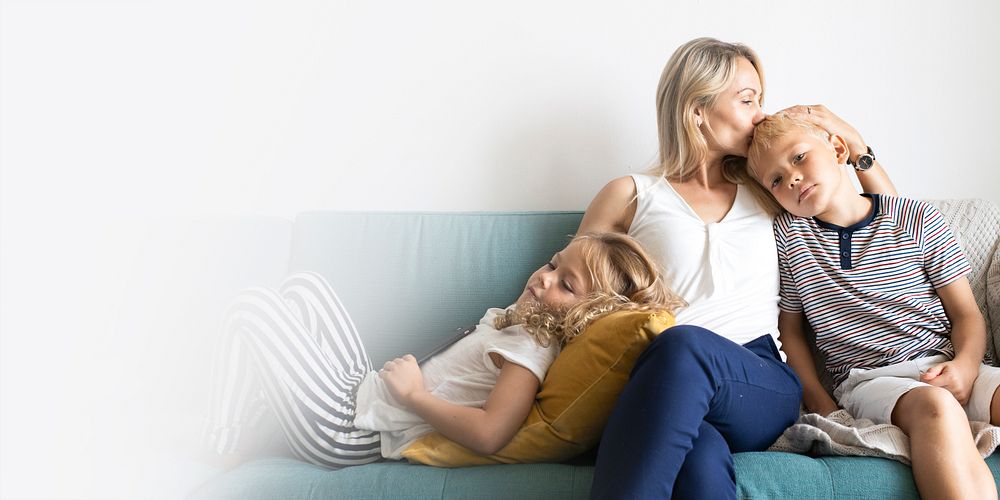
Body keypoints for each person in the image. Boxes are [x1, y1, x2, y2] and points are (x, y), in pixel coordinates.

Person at [581, 37, 898, 499]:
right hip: (666, 379)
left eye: (760, 101)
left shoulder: (769, 187)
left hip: (759, 379)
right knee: (699, 463)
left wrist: (854, 140)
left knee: (684, 345)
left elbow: (886, 223)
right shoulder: (631, 195)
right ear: (697, 110)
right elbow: (567, 291)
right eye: (748, 100)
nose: (761, 115)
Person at [204, 232, 685, 469]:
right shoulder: (515, 323)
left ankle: (220, 446)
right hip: (361, 391)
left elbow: (491, 433)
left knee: (250, 308)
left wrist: (415, 397)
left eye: (566, 284)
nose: (544, 277)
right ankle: (261, 412)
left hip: (346, 430)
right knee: (304, 287)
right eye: (552, 265)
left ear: (590, 313)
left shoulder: (533, 347)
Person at [746, 112, 998, 500]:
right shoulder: (791, 236)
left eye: (798, 158)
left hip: (945, 362)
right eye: (776, 180)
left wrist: (965, 367)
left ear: (837, 148)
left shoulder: (914, 217)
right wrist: (821, 402)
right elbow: (791, 333)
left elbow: (966, 314)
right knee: (936, 406)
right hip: (871, 382)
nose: (792, 178)